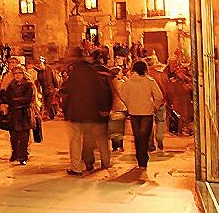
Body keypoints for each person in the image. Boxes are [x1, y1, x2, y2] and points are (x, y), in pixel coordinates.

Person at [59, 47, 113, 175]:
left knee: (75, 141)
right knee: (90, 139)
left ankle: (77, 167)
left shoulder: (74, 72)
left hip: (75, 112)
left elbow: (66, 91)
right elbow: (100, 91)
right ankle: (93, 162)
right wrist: (103, 108)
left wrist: (66, 110)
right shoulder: (92, 71)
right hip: (91, 112)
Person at [121, 59, 165, 169]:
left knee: (137, 136)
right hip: (147, 112)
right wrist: (154, 106)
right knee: (144, 136)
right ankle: (143, 159)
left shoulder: (128, 82)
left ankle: (140, 159)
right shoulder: (149, 81)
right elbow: (159, 96)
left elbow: (123, 96)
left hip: (134, 113)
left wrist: (129, 105)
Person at [0, 66, 35, 164]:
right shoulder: (11, 85)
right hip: (14, 114)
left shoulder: (28, 85)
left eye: (19, 73)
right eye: (15, 73)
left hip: (24, 113)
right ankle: (15, 153)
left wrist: (14, 101)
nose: (17, 75)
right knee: (13, 136)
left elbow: (28, 99)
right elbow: (6, 97)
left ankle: (23, 157)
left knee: (23, 137)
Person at [108, 66, 128, 152]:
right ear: (116, 74)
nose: (122, 74)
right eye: (120, 72)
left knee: (113, 128)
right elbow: (126, 94)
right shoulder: (121, 83)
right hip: (121, 107)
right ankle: (120, 145)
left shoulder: (109, 82)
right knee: (120, 128)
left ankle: (115, 146)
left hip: (112, 107)